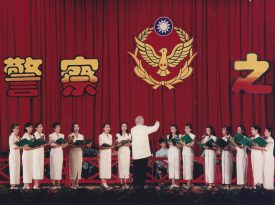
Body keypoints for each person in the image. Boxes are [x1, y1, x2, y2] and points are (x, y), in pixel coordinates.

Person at [131, 116, 160, 190]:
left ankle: (136, 186)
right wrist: (157, 123)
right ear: (141, 121)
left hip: (136, 155)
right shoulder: (144, 128)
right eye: (143, 121)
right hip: (143, 154)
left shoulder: (132, 129)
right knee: (142, 171)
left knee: (136, 171)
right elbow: (155, 128)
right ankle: (141, 186)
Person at [49, 122, 67, 189]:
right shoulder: (51, 135)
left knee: (59, 167)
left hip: (60, 152)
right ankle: (54, 184)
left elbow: (64, 145)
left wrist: (64, 144)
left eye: (59, 127)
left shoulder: (62, 135)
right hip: (54, 153)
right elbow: (52, 145)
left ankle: (58, 184)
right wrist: (60, 145)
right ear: (54, 128)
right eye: (57, 127)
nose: (59, 128)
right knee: (53, 168)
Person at [68, 123, 84, 189]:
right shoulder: (70, 135)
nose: (76, 128)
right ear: (73, 128)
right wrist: (75, 145)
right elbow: (70, 145)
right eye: (75, 127)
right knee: (73, 167)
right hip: (73, 152)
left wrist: (82, 145)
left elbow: (83, 145)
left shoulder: (81, 136)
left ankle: (77, 183)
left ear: (79, 128)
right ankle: (73, 183)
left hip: (79, 152)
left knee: (79, 167)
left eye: (77, 126)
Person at [116, 122, 131, 189]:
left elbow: (129, 144)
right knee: (121, 165)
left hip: (127, 151)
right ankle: (121, 182)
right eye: (122, 126)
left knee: (126, 165)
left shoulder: (129, 134)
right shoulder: (118, 135)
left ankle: (126, 182)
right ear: (121, 127)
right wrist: (124, 143)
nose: (124, 127)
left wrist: (123, 143)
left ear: (126, 127)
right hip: (121, 151)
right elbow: (117, 144)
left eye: (125, 126)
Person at [99, 123, 113, 189]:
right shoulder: (101, 136)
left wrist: (112, 147)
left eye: (109, 127)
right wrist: (110, 147)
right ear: (103, 128)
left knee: (107, 168)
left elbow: (111, 145)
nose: (108, 128)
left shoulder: (110, 136)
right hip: (103, 153)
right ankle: (103, 183)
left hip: (108, 153)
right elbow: (101, 147)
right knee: (103, 168)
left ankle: (105, 183)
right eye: (106, 127)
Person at [181, 123, 196, 187]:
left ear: (190, 129)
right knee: (185, 167)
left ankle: (189, 182)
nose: (186, 129)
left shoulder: (193, 135)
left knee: (189, 167)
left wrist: (185, 144)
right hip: (184, 152)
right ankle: (187, 181)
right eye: (185, 128)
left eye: (187, 128)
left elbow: (192, 145)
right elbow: (180, 144)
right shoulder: (183, 136)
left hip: (189, 152)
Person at [167, 124, 181, 189]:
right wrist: (170, 143)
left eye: (173, 129)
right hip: (171, 151)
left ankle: (177, 183)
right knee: (171, 166)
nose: (172, 130)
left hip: (176, 150)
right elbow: (168, 143)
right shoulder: (168, 136)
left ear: (176, 129)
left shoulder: (179, 136)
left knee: (176, 166)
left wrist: (176, 144)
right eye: (171, 129)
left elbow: (181, 145)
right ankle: (172, 183)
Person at [33, 123, 46, 189]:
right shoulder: (34, 135)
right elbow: (33, 145)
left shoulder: (43, 135)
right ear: (36, 128)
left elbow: (44, 144)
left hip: (41, 152)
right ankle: (35, 184)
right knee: (36, 168)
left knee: (40, 167)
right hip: (36, 153)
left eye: (41, 127)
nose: (41, 128)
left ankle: (38, 183)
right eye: (40, 127)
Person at [9, 123, 21, 190]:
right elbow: (12, 146)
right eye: (16, 128)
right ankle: (12, 185)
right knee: (13, 169)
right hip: (13, 154)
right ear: (13, 129)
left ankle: (16, 184)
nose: (18, 129)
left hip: (17, 154)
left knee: (17, 168)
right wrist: (20, 146)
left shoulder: (18, 137)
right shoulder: (11, 136)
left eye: (18, 128)